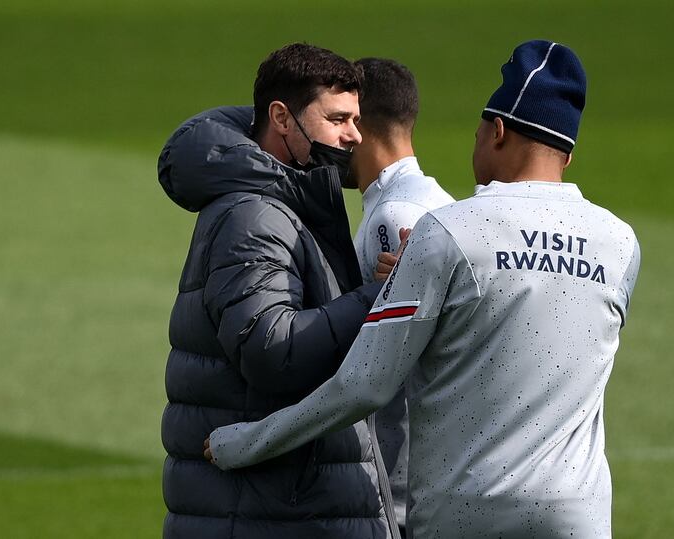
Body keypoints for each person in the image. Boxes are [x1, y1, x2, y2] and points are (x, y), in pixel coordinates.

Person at [205, 40, 641, 539]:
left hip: (464, 510)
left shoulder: (449, 230)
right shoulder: (622, 243)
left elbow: (364, 385)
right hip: (579, 514)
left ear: (495, 131)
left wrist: (248, 442)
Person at [157, 43, 400, 538]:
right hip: (275, 512)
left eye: (355, 119)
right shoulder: (255, 216)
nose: (355, 136)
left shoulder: (289, 202)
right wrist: (378, 295)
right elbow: (272, 350)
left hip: (279, 505)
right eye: (337, 119)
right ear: (282, 118)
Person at [349, 57, 455, 535]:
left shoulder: (396, 216)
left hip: (401, 494)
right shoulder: (441, 201)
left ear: (358, 122)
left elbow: (394, 360)